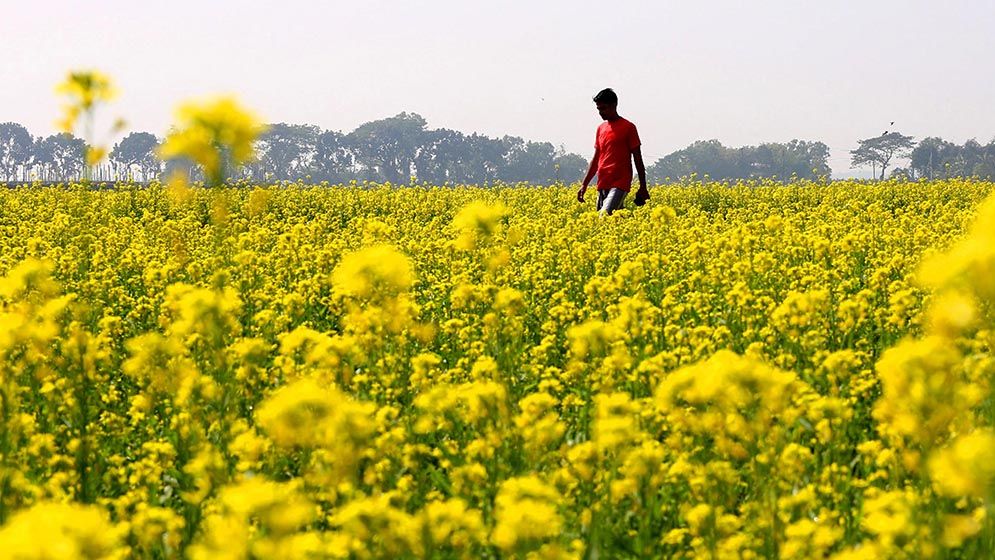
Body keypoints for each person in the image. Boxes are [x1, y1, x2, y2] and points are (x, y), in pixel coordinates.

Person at [578, 88, 648, 215]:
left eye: (603, 108)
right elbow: (596, 159)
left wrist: (643, 187)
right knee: (611, 222)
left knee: (604, 216)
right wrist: (584, 184)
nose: (600, 113)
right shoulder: (601, 129)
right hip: (603, 182)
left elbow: (638, 159)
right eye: (598, 109)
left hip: (620, 183)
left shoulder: (628, 127)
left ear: (614, 105)